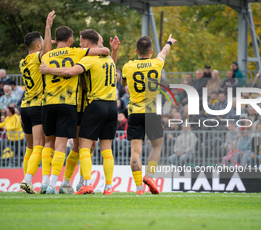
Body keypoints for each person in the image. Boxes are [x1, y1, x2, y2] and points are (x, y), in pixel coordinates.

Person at [41, 29, 120, 195]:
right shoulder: (89, 56)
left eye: (81, 41)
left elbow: (71, 70)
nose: (78, 43)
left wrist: (49, 69)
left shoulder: (87, 57)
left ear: (87, 44)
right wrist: (113, 51)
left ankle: (79, 182)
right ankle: (69, 182)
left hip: (90, 106)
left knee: (87, 146)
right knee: (80, 147)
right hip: (81, 106)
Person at [121, 34, 177, 195]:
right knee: (157, 146)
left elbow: (123, 82)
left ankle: (139, 188)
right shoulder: (156, 63)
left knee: (135, 151)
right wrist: (169, 42)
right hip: (152, 112)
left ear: (136, 50)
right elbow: (164, 53)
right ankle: (150, 176)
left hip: (134, 112)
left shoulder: (128, 66)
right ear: (151, 51)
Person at [18, 11, 56, 194]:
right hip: (37, 105)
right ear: (39, 44)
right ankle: (27, 179)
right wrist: (48, 26)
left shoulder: (23, 62)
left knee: (30, 147)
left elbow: (44, 51)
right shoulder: (37, 57)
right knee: (40, 145)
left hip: (24, 106)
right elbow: (46, 54)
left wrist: (47, 42)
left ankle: (26, 182)